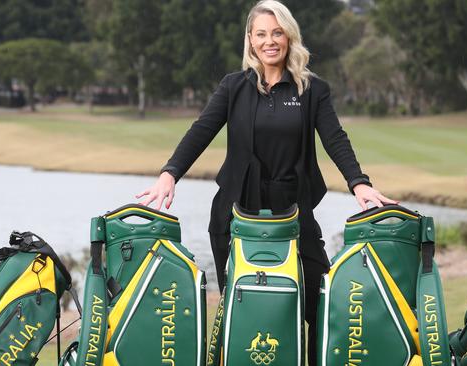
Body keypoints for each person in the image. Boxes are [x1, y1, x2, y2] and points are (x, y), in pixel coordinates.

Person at [136, 0, 396, 362]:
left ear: (289, 37)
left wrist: (359, 183)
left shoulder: (312, 90)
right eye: (261, 34)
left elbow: (335, 137)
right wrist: (169, 174)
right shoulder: (233, 86)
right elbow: (201, 131)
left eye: (277, 33)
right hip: (235, 213)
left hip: (293, 211)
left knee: (318, 303)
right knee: (241, 308)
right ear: (250, 40)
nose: (269, 41)